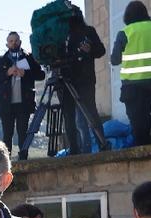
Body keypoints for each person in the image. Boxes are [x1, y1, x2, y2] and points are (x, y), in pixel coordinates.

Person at [111, 2, 151, 147]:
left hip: (132, 84)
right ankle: (145, 142)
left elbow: (114, 60)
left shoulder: (125, 32)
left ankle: (141, 146)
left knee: (135, 118)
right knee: (146, 114)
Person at [0, 31, 45, 160]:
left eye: (16, 41)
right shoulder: (1, 61)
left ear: (20, 42)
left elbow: (41, 75)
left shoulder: (29, 58)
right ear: (7, 44)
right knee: (7, 134)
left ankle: (23, 159)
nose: (14, 43)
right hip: (6, 104)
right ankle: (6, 162)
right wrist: (6, 73)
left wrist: (25, 74)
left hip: (24, 103)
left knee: (23, 133)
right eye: (11, 41)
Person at [60, 9, 106, 155]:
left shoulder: (88, 31)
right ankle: (74, 149)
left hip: (84, 79)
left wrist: (90, 49)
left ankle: (101, 144)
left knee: (90, 112)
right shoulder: (61, 34)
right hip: (66, 79)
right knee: (69, 116)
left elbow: (101, 50)